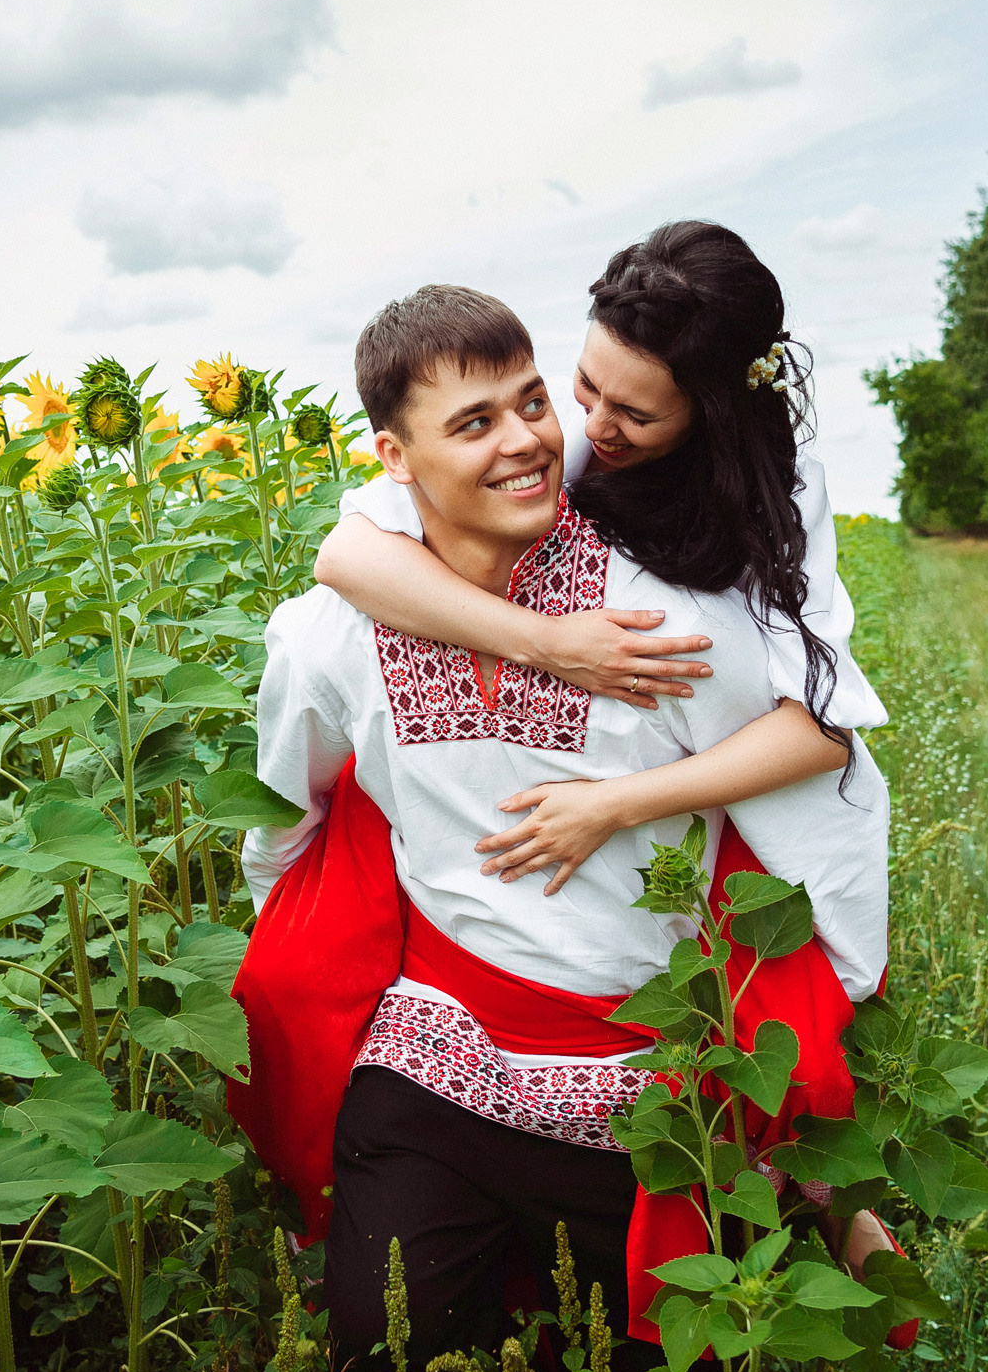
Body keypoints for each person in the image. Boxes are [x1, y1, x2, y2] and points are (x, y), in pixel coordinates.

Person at [226, 282, 889, 1372]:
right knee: (382, 1355)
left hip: (642, 1064)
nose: (528, 439)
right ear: (393, 457)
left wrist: (825, 1006)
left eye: (534, 402)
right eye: (473, 423)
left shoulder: (658, 620)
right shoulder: (329, 633)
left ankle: (816, 1194)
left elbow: (811, 765)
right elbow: (285, 821)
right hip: (437, 1046)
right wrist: (306, 973)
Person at [311, 221, 886, 900]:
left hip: (734, 792)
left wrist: (612, 804)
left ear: (712, 415)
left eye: (637, 415)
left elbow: (822, 731)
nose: (595, 426)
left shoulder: (782, 499)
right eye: (584, 385)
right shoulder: (554, 436)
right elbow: (346, 555)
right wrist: (549, 643)